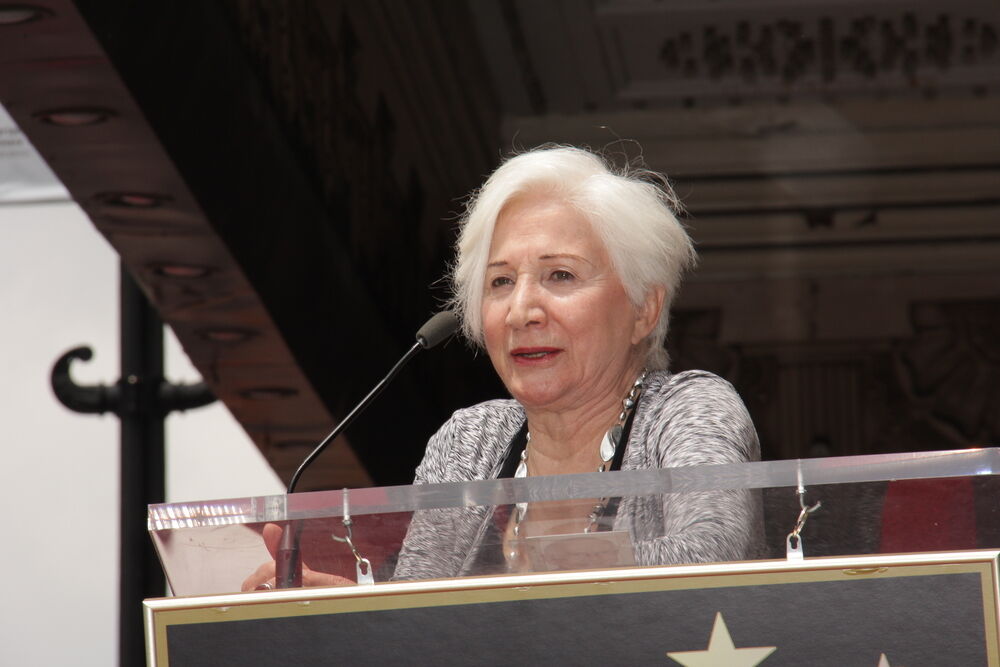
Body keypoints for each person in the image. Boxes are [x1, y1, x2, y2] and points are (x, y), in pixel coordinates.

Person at [243, 145, 761, 590]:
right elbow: (425, 626)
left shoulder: (688, 410)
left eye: (559, 275)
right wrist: (354, 610)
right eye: (500, 282)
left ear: (643, 310)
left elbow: (712, 561)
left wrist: (541, 562)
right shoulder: (471, 441)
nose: (520, 312)